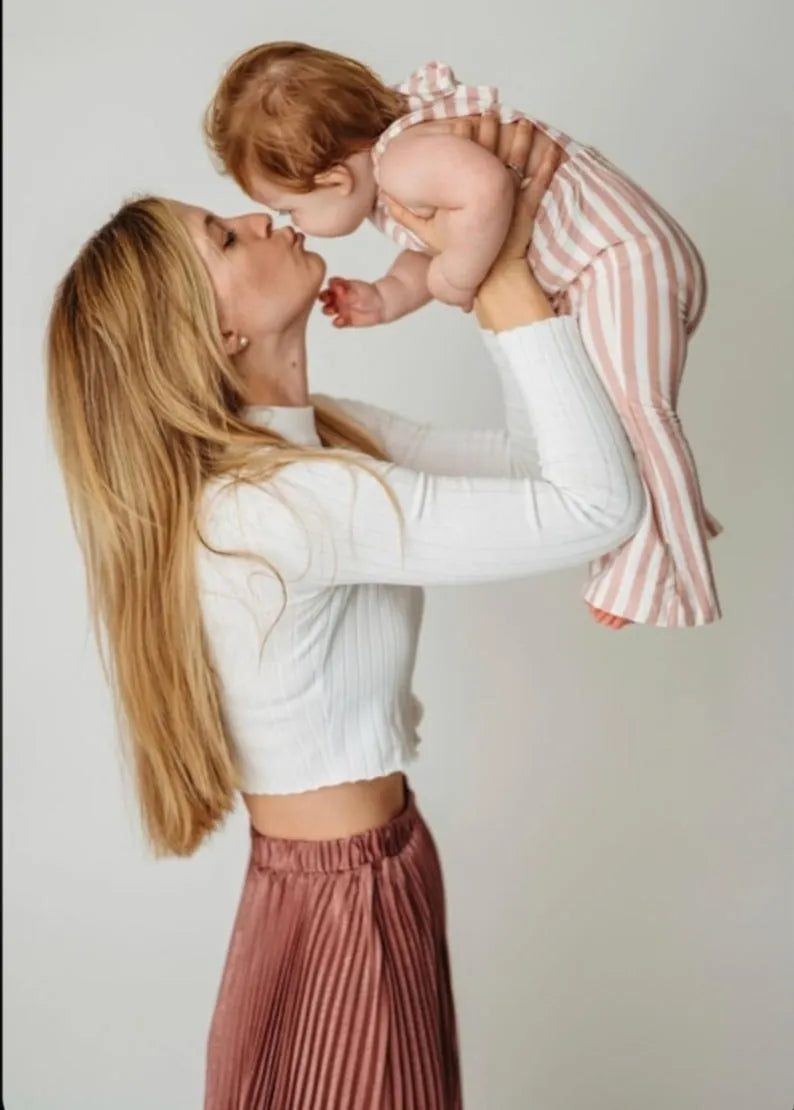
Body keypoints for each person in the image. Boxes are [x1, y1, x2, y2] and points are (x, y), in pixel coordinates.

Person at [46, 122, 642, 1109]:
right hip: (339, 903)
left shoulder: (324, 446)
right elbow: (594, 508)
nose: (258, 214)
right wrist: (487, 263)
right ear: (215, 333)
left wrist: (492, 263)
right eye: (224, 239)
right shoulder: (280, 503)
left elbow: (547, 466)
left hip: (354, 880)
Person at [205, 41, 722, 631]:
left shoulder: (404, 162)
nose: (284, 224)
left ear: (334, 178)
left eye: (291, 211)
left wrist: (458, 274)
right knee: (612, 413)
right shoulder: (399, 168)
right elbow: (438, 243)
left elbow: (488, 190)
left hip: (619, 260)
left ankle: (659, 573)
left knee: (637, 408)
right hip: (597, 272)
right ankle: (673, 518)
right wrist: (387, 296)